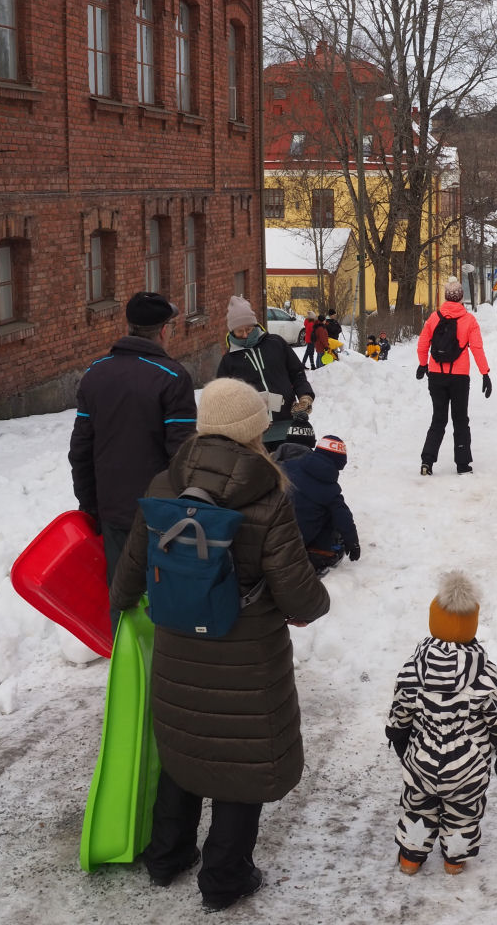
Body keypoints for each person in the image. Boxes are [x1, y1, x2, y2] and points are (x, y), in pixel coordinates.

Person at [109, 378, 329, 913]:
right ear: (254, 431)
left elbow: (127, 578)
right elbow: (301, 596)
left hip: (178, 652)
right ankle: (225, 878)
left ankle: (167, 855)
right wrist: (312, 606)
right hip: (247, 661)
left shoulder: (165, 485)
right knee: (240, 763)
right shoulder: (269, 497)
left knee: (186, 749)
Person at [68, 291, 197, 634]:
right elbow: (182, 455)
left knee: (122, 596)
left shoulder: (95, 373)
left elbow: (80, 449)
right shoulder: (172, 377)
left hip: (113, 510)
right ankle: (165, 662)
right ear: (164, 330)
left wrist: (90, 505)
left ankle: (127, 660)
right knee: (167, 597)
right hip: (163, 514)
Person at [385, 570, 497, 876]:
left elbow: (400, 709)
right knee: (463, 814)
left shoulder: (414, 667)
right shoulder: (483, 673)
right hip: (467, 766)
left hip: (422, 760)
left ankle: (410, 859)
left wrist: (399, 736)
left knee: (418, 808)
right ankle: (454, 861)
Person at [216, 296, 314, 451]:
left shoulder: (276, 343)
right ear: (232, 331)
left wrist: (305, 396)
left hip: (288, 426)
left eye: (248, 329)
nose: (245, 335)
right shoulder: (229, 361)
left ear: (255, 325)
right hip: (255, 437)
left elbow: (297, 373)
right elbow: (224, 400)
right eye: (240, 331)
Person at [416, 277, 492, 476]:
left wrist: (423, 364)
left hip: (436, 375)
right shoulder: (469, 321)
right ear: (461, 297)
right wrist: (485, 373)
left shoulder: (434, 318)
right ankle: (463, 464)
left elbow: (422, 344)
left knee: (438, 419)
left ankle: (427, 461)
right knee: (460, 420)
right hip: (459, 378)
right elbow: (477, 348)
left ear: (446, 297)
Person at [279, 435, 360, 575]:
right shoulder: (330, 490)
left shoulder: (288, 466)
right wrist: (353, 542)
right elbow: (343, 518)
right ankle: (320, 552)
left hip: (272, 533)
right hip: (298, 542)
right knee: (331, 514)